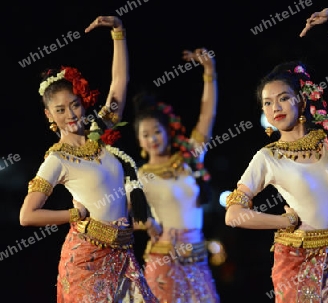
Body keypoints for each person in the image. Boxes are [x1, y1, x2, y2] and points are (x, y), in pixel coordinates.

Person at [224, 7, 328, 303]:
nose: (275, 107)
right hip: (300, 263)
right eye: (267, 103)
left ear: (301, 100)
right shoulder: (267, 157)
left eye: (283, 98)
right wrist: (283, 222)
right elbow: (233, 215)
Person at [19, 16, 158, 303]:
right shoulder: (57, 159)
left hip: (123, 256)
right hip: (87, 262)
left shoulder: (99, 132)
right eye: (60, 110)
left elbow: (120, 82)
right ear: (50, 116)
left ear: (83, 102)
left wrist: (118, 32)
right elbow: (27, 215)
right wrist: (73, 215)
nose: (70, 115)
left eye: (74, 105)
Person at [131, 47, 220, 302]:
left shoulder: (189, 159)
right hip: (163, 259)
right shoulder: (139, 176)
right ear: (139, 142)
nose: (152, 139)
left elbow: (208, 115)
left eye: (156, 132)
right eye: (145, 135)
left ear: (168, 132)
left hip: (198, 259)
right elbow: (125, 219)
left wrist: (209, 72)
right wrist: (148, 224)